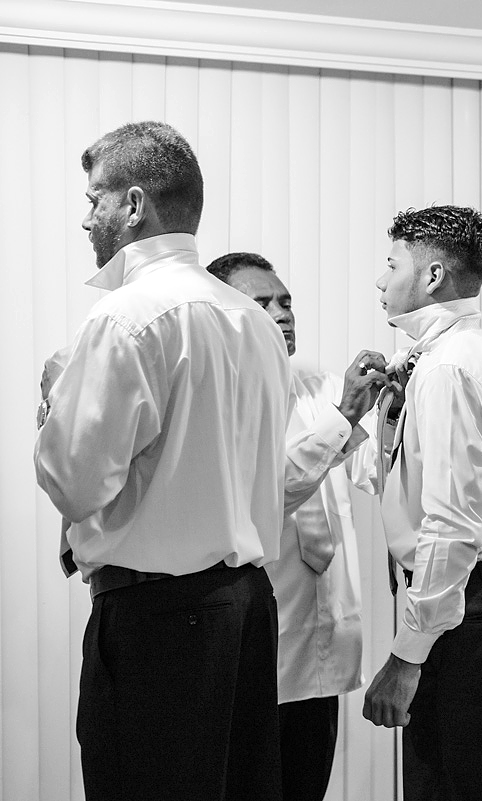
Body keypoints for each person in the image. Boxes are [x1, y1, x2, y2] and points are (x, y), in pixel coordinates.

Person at [33, 122, 290, 800]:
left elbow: (75, 482)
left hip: (159, 624)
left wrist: (57, 399)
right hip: (249, 610)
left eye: (95, 199)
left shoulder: (125, 318)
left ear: (135, 204)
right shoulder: (254, 322)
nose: (86, 219)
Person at [361, 204, 482, 801]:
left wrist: (408, 656)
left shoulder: (446, 371)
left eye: (390, 265)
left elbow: (450, 523)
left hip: (466, 607)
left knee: (454, 787)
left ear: (432, 276)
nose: (380, 280)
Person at [207, 251, 387, 801]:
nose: (282, 314)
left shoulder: (317, 383)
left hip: (324, 646)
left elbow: (372, 470)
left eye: (285, 302)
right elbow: (263, 498)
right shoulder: (215, 398)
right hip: (252, 651)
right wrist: (346, 419)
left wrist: (395, 410)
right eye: (261, 303)